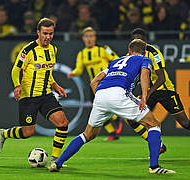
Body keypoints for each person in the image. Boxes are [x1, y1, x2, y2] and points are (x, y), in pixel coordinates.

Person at [48, 39, 176, 174]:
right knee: (154, 124)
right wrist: (144, 95)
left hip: (101, 95)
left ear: (129, 51)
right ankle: (154, 167)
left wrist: (101, 97)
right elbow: (145, 74)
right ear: (144, 52)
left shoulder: (115, 62)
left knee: (88, 134)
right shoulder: (144, 59)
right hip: (119, 93)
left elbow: (94, 81)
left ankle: (57, 163)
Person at [0, 18, 69, 165]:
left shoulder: (53, 49)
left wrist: (55, 86)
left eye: (51, 34)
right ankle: (3, 133)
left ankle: (55, 160)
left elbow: (47, 72)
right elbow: (16, 70)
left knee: (63, 123)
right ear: (38, 32)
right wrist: (17, 85)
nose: (48, 37)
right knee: (27, 133)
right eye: (45, 33)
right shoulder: (28, 50)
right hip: (28, 97)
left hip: (46, 95)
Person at [127, 28, 190, 142]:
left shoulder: (154, 53)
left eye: (140, 40)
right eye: (134, 41)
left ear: (145, 41)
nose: (138, 43)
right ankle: (157, 145)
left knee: (185, 123)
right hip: (149, 93)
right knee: (132, 119)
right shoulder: (130, 55)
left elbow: (161, 78)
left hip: (165, 90)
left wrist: (146, 94)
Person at [67, 27, 122, 141]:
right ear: (83, 38)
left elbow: (117, 60)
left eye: (91, 36)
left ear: (95, 38)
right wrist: (72, 73)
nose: (89, 39)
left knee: (106, 105)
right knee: (96, 108)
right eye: (87, 36)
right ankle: (113, 132)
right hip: (94, 85)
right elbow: (79, 69)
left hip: (107, 82)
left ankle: (117, 118)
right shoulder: (81, 54)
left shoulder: (103, 49)